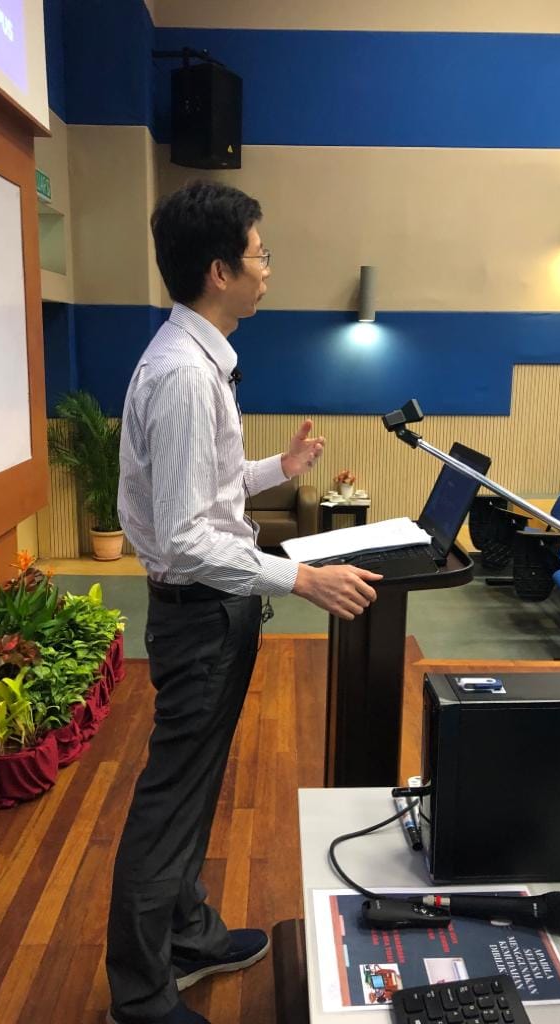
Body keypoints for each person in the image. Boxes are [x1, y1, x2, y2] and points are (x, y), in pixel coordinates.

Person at [106, 181, 383, 1024]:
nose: (269, 269)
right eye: (261, 255)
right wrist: (302, 578)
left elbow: (205, 492)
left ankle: (187, 936)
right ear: (220, 271)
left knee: (193, 789)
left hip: (209, 609)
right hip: (198, 612)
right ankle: (140, 994)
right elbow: (188, 537)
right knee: (171, 799)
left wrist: (277, 470)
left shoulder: (198, 361)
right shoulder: (185, 377)